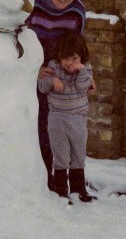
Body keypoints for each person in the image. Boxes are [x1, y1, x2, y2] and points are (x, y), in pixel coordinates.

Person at [26, 0, 88, 191]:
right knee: (33, 126)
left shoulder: (76, 13)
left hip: (56, 79)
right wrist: (32, 67)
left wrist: (73, 72)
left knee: (53, 129)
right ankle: (39, 176)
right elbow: (15, 40)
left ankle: (55, 178)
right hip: (27, 74)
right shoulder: (30, 6)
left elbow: (74, 49)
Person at [37, 31, 96, 202]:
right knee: (61, 155)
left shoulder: (85, 69)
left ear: (81, 57)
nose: (69, 63)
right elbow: (41, 86)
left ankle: (79, 190)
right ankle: (61, 190)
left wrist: (82, 70)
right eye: (65, 59)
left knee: (78, 154)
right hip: (57, 118)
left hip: (78, 118)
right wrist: (51, 82)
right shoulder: (53, 67)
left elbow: (83, 87)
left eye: (74, 59)